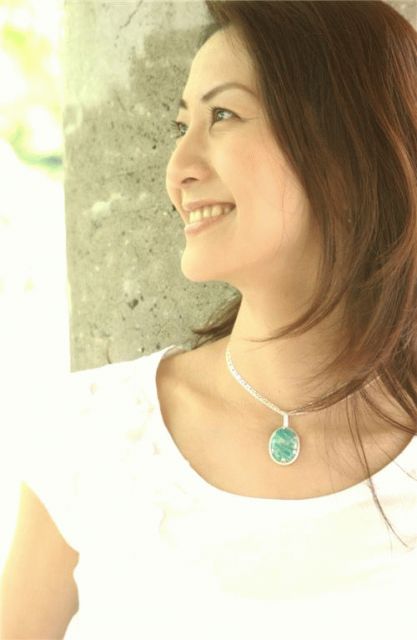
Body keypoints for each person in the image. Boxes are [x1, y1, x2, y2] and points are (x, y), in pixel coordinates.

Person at [2, 1, 417, 638]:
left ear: (345, 148)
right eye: (181, 125)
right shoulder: (92, 432)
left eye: (223, 115)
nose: (177, 170)